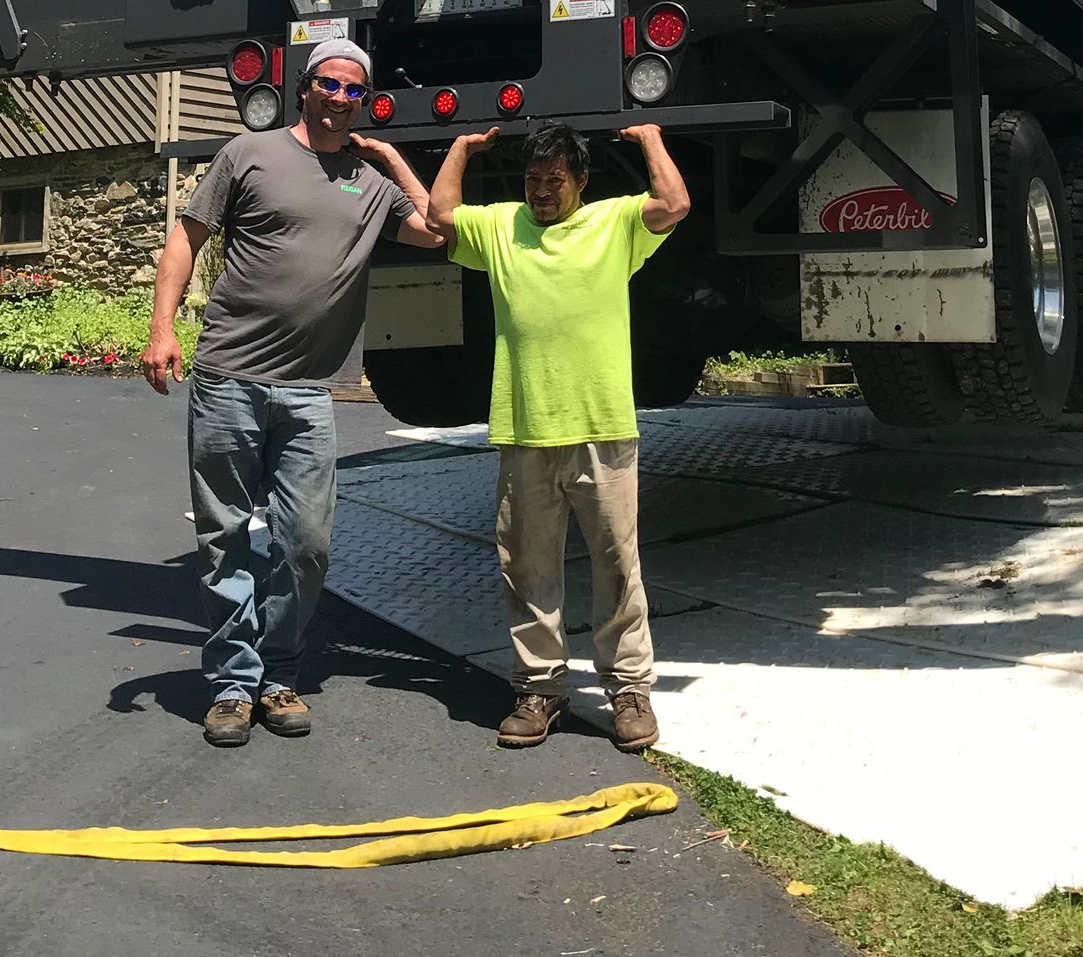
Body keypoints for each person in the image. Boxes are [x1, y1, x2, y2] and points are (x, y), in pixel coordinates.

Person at [140, 40, 441, 747]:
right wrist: (162, 328)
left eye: (355, 91)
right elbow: (187, 238)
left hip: (309, 392)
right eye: (330, 85)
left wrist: (393, 160)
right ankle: (234, 685)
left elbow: (435, 230)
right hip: (228, 378)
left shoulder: (369, 183)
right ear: (304, 88)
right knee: (223, 539)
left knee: (306, 544)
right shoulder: (249, 155)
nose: (341, 98)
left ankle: (279, 672)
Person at [425, 118, 690, 754]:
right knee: (527, 565)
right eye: (534, 179)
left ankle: (627, 688)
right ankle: (540, 687)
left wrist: (650, 138)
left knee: (616, 562)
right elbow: (439, 215)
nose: (543, 191)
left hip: (602, 422)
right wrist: (461, 147)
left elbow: (675, 203)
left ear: (581, 183)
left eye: (556, 181)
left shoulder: (614, 223)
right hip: (525, 427)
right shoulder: (501, 225)